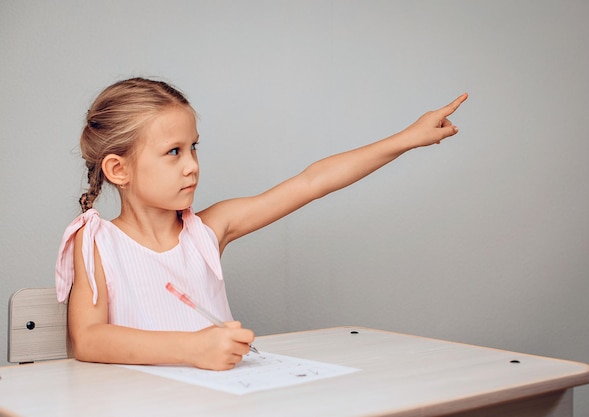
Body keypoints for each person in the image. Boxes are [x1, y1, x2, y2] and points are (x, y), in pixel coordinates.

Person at [55, 77, 467, 370]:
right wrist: (193, 349)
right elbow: (89, 341)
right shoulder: (97, 242)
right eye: (174, 152)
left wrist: (405, 139)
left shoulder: (209, 230)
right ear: (118, 169)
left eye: (194, 148)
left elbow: (312, 182)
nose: (192, 166)